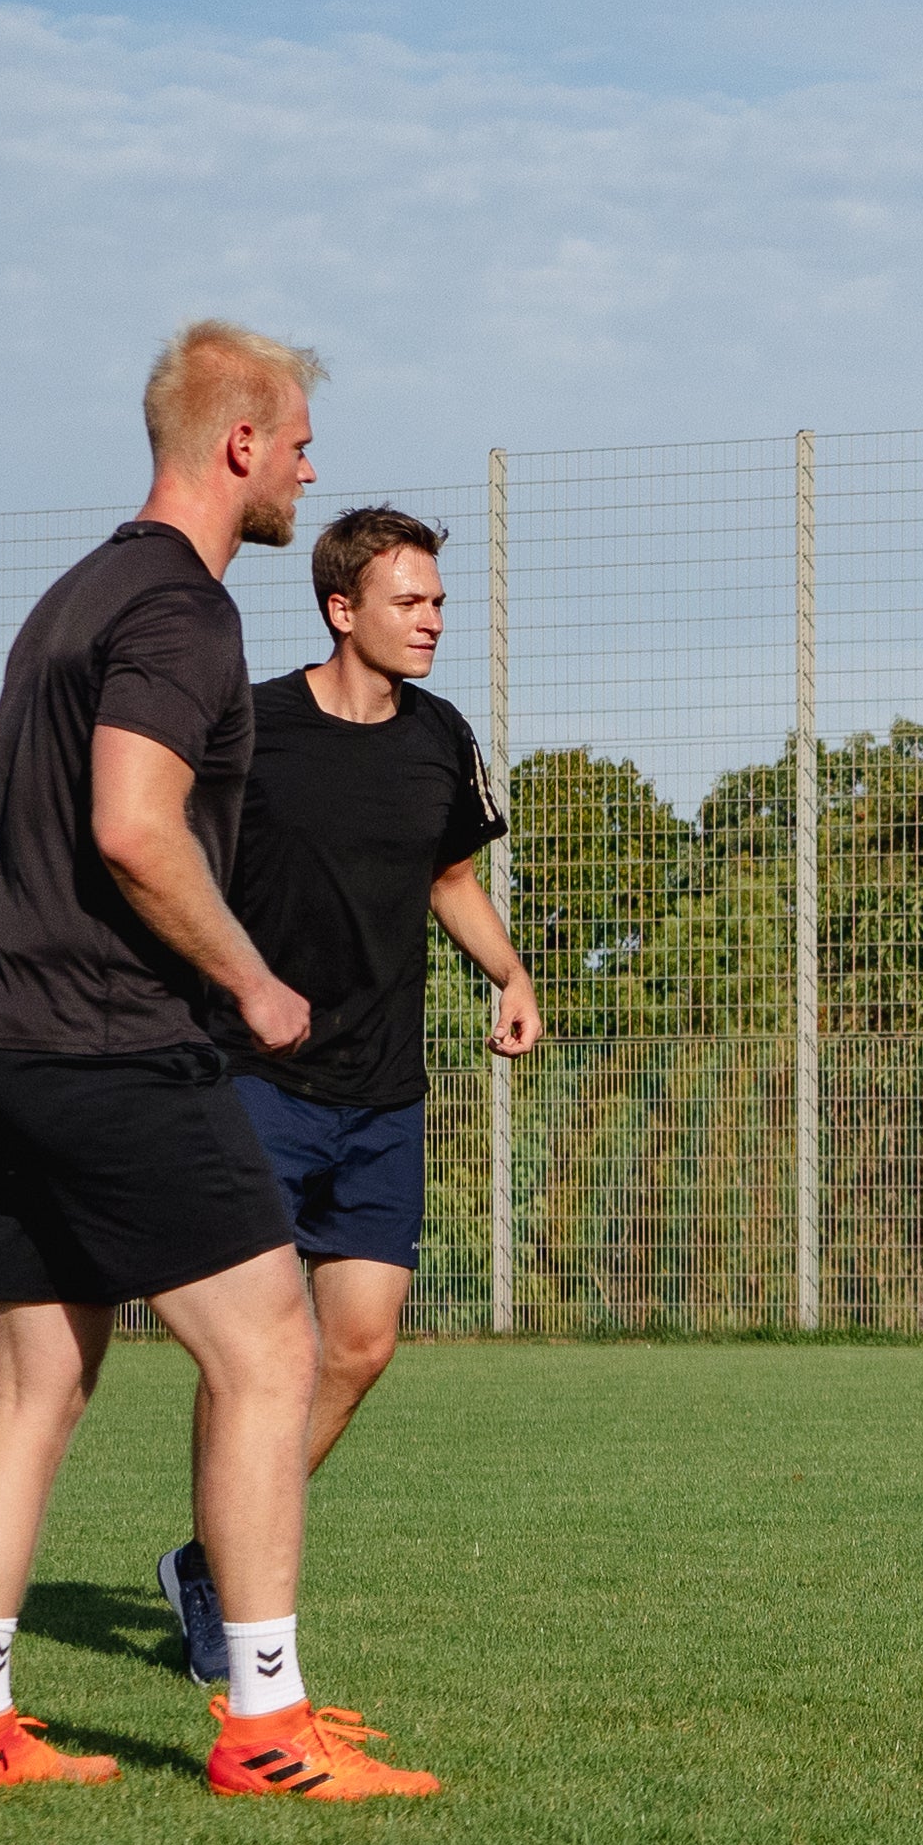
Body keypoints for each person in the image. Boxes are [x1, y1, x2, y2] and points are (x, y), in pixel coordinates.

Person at [0, 321, 440, 1804]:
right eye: (295, 443)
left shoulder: (75, 593)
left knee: (38, 1384)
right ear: (237, 447)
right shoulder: (180, 611)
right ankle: (266, 1728)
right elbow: (134, 825)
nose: (307, 465)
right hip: (105, 1048)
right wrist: (252, 978)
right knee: (272, 1348)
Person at [153, 504, 542, 1687]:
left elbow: (450, 874)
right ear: (341, 608)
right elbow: (168, 858)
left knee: (359, 1346)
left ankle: (208, 1563)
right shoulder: (253, 727)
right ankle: (232, 1593)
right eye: (408, 601)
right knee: (256, 1351)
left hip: (384, 1093)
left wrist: (511, 969)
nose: (432, 620)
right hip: (256, 1082)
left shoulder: (443, 738)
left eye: (436, 600)